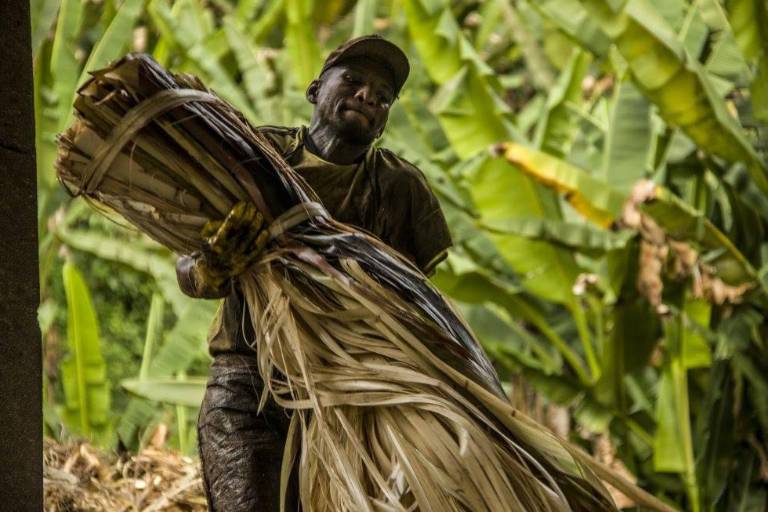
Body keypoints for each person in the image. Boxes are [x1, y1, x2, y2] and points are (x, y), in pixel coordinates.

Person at [176, 35, 453, 511]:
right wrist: (211, 266)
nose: (368, 96)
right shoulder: (256, 154)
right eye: (354, 80)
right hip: (249, 384)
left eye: (383, 96)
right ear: (314, 89)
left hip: (349, 397)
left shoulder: (400, 190)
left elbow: (420, 304)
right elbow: (186, 266)